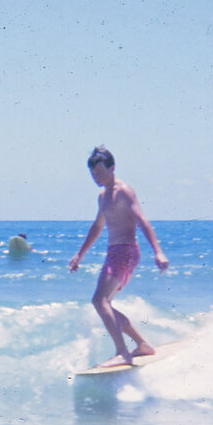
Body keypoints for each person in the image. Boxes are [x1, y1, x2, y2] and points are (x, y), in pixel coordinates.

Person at [69, 146, 169, 368]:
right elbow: (97, 226)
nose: (96, 178)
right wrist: (80, 254)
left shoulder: (125, 191)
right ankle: (142, 344)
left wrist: (158, 251)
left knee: (99, 300)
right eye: (93, 174)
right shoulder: (102, 196)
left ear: (112, 168)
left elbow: (142, 220)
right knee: (106, 304)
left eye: (100, 173)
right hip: (114, 252)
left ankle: (122, 352)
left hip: (126, 251)